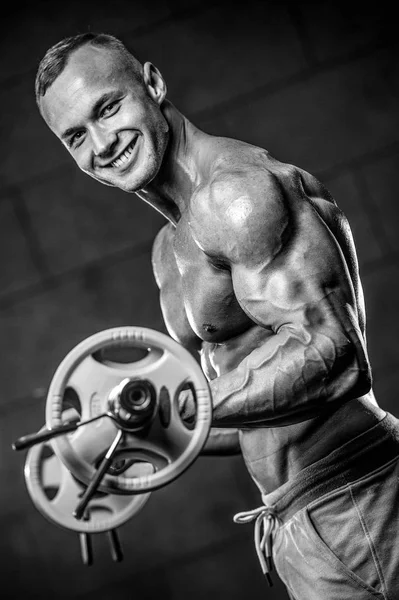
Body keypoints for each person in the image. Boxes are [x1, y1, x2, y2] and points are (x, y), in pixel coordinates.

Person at [35, 32, 399, 598]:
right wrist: (125, 433)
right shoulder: (167, 250)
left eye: (108, 109)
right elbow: (247, 414)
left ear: (153, 84)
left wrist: (178, 402)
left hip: (362, 496)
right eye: (76, 137)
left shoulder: (235, 195)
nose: (101, 144)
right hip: (296, 522)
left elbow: (337, 356)